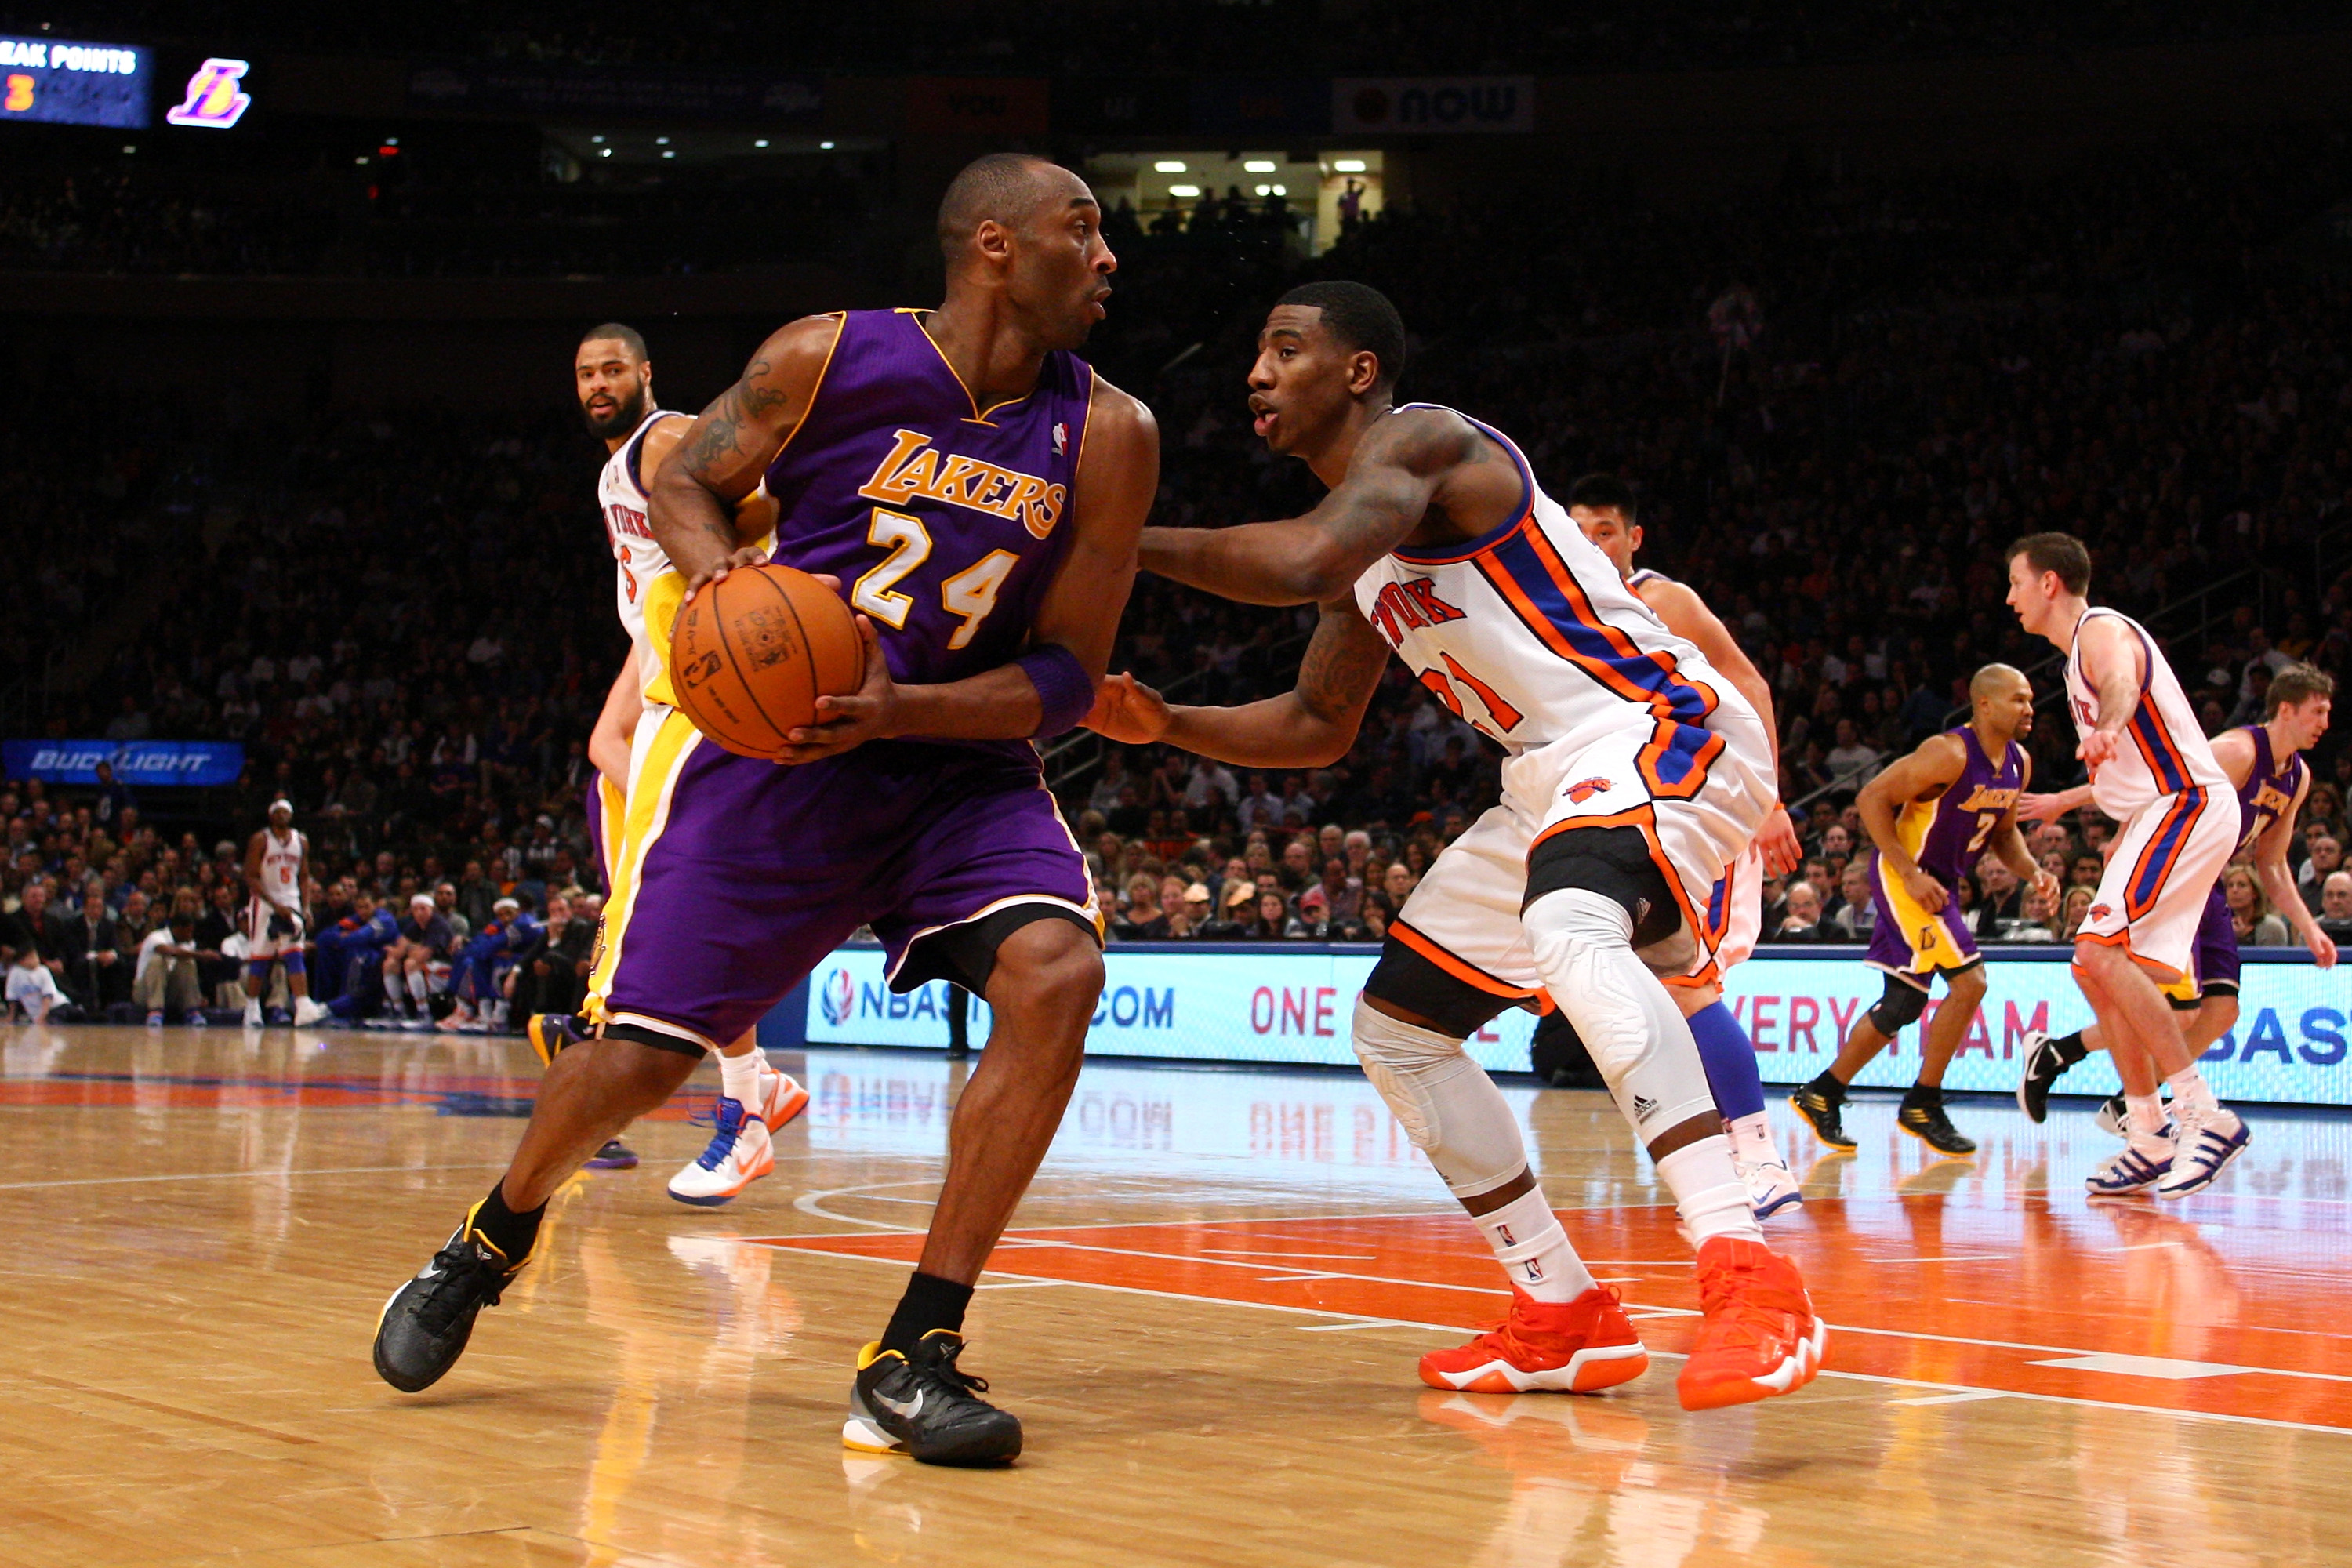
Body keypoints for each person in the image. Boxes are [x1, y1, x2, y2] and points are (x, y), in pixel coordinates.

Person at [374, 154, 1158, 1470]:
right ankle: (492, 1237)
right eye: (1081, 230)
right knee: (640, 1063)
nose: (1107, 255)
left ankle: (913, 1353)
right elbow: (682, 480)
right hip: (774, 758)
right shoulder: (826, 356)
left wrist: (904, 711)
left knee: (1057, 970)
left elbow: (1071, 672)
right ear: (993, 246)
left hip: (951, 764)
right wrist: (722, 584)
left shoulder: (1114, 433)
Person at [1087, 281, 1820, 1411]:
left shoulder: (1426, 441)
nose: (1257, 374)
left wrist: (1104, 544)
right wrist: (1170, 722)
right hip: (1547, 777)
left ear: (1359, 371)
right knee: (1397, 1030)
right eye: (1257, 354)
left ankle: (1751, 1274)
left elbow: (1300, 561)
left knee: (1568, 925)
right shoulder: (1362, 552)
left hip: (1656, 721)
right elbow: (1317, 725)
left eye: (1286, 348)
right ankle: (1562, 1310)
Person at [539, 321, 809, 1186]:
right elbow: (604, 734)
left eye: (613, 369)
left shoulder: (662, 441)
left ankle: (740, 1099)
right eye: (586, 373)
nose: (598, 384)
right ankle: (750, 1087)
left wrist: (746, 565)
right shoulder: (620, 476)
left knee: (666, 926)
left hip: (710, 680)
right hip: (669, 670)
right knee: (686, 904)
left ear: (646, 373)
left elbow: (764, 491)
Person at [1570, 474, 1806, 1217]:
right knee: (1648, 994)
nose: (1591, 544)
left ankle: (1760, 1157)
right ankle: (1722, 1156)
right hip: (1643, 812)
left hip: (1708, 806)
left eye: (1606, 530)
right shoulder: (1571, 612)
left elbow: (1750, 684)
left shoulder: (1661, 599)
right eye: (1579, 530)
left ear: (1633, 538)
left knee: (1686, 984)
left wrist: (1768, 799)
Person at [2004, 532, 2245, 1197]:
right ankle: (2147, 1134)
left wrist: (2109, 724)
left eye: (2016, 583)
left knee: (2098, 949)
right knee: (2094, 967)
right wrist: (2075, 798)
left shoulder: (2100, 631)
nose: (2010, 598)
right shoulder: (2070, 663)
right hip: (2155, 813)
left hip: (2185, 804)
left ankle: (2202, 1113)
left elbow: (2122, 683)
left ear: (2048, 582)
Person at [2016, 664, 2337, 1125]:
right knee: (2175, 1009)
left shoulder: (2297, 777)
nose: (2326, 722)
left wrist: (2309, 928)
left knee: (2221, 1010)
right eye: (2318, 711)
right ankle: (2133, 1102)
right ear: (2286, 709)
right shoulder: (2239, 751)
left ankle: (2075, 1065)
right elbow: (2156, 782)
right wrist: (2075, 806)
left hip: (2210, 881)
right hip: (2175, 870)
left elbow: (2271, 862)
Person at [1789, 666, 2053, 1157]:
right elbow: (1871, 797)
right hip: (1906, 878)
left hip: (1940, 884)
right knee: (1971, 983)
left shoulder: (2019, 762)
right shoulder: (1948, 753)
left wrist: (2034, 871)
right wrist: (1909, 873)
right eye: (2019, 699)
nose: (2029, 709)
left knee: (1904, 1003)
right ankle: (1923, 1102)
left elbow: (2004, 835)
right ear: (1985, 704)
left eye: (2031, 700)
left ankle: (1823, 1092)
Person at [241, 799, 329, 1028]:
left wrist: (306, 906)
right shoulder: (261, 839)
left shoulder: (301, 841)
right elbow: (250, 876)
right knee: (261, 956)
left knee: (294, 953)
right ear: (271, 816)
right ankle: (251, 1008)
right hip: (265, 902)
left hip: (291, 902)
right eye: (278, 812)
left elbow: (304, 876)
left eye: (286, 812)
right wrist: (273, 903)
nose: (282, 816)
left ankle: (303, 1006)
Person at [136, 913, 206, 1025]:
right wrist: (202, 955)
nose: (190, 935)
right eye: (188, 931)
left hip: (170, 992)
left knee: (188, 962)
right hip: (145, 992)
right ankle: (155, 1010)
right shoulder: (156, 937)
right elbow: (166, 951)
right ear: (178, 929)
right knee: (158, 960)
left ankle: (192, 1010)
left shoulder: (189, 944)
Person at [7, 946, 71, 1023]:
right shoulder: (15, 973)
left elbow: (48, 995)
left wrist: (43, 1016)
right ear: (22, 961)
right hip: (38, 1014)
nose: (36, 960)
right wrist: (11, 1016)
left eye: (36, 956)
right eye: (32, 957)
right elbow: (12, 998)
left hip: (57, 1006)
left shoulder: (43, 971)